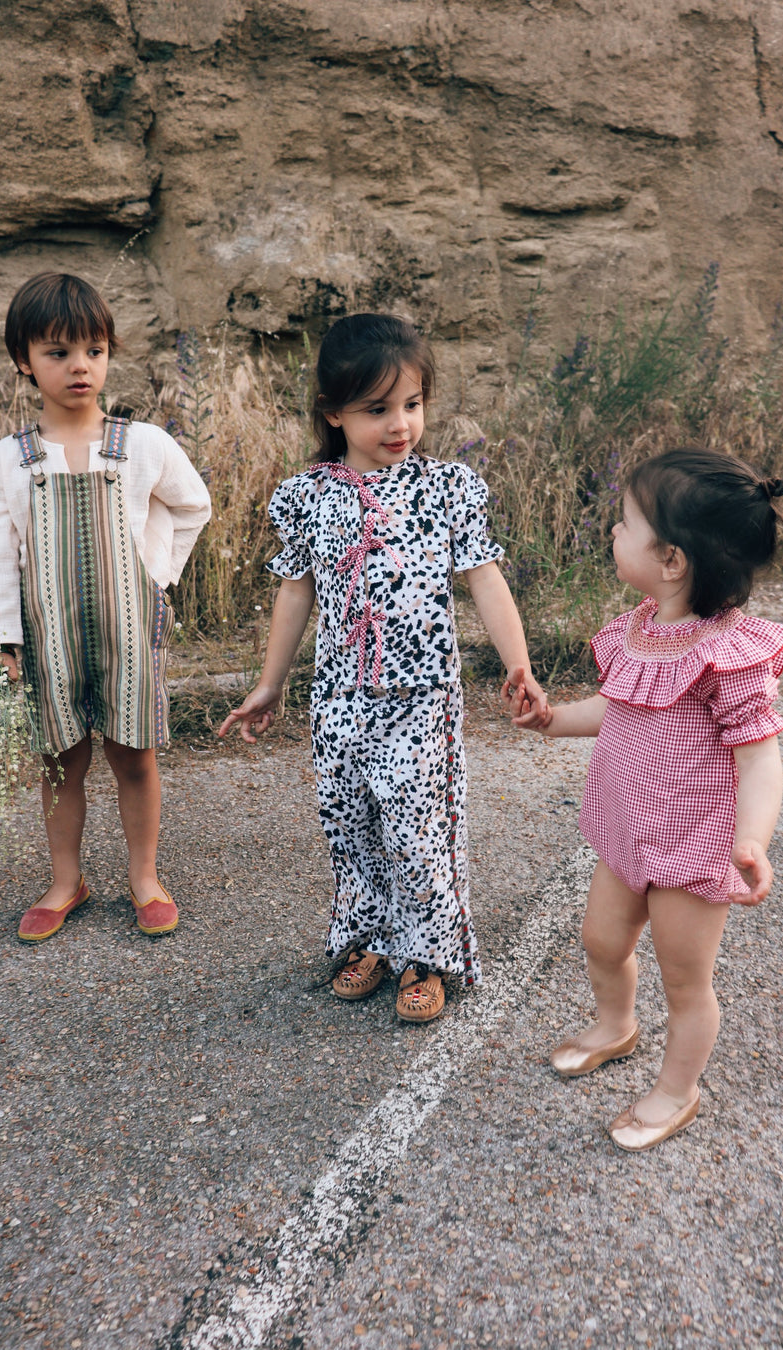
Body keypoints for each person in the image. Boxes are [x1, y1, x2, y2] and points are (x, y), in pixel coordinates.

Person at [218, 312, 546, 1022]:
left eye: (412, 404)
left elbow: (485, 579)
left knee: (416, 825)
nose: (400, 423)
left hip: (421, 697)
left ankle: (426, 951)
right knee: (349, 820)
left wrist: (517, 664)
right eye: (377, 409)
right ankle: (365, 936)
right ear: (333, 413)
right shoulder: (310, 495)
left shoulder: (445, 488)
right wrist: (270, 684)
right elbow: (295, 591)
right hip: (339, 697)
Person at [506, 448, 783, 1149]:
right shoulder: (641, 630)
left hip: (694, 845)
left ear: (671, 559)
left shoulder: (730, 656)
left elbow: (760, 761)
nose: (613, 530)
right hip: (629, 831)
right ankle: (616, 1024)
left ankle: (676, 1090)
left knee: (685, 980)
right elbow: (620, 707)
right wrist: (554, 720)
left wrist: (750, 839)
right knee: (602, 941)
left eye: (624, 521)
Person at [0, 272, 211, 941]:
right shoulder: (10, 459)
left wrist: (156, 572)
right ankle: (65, 881)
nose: (79, 366)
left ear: (108, 353)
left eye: (94, 350)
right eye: (58, 352)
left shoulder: (141, 445)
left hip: (127, 633)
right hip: (46, 636)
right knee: (62, 761)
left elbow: (192, 506)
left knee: (133, 754)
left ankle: (145, 877)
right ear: (25, 360)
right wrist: (3, 639)